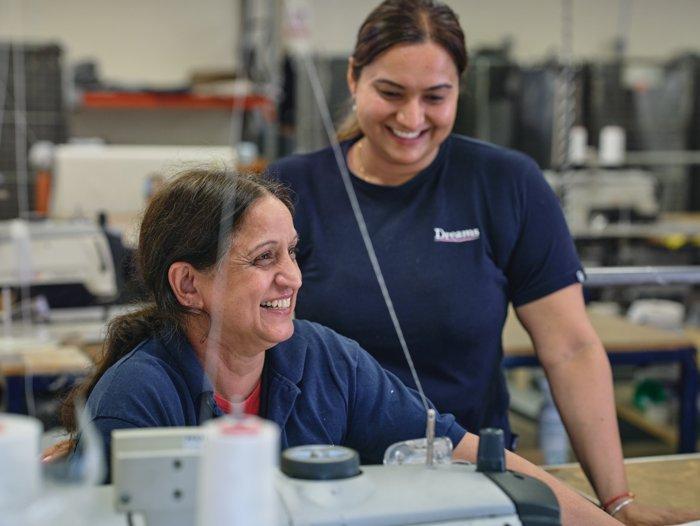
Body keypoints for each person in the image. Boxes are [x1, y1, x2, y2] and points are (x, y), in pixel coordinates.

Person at [268, 1, 700, 524]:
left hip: (467, 479)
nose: (412, 118)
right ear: (354, 78)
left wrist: (617, 501)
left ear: (459, 91)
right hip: (323, 479)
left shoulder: (504, 184)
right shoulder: (293, 188)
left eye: (435, 97)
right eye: (390, 93)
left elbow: (570, 347)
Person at [60, 168, 614, 524]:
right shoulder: (136, 401)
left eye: (293, 253)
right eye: (264, 258)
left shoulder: (323, 360)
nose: (293, 278)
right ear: (189, 285)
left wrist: (608, 521)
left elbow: (461, 449)